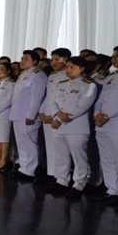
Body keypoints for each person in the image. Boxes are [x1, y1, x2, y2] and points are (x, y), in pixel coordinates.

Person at [50, 57, 98, 200]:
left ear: (82, 69)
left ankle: (79, 184)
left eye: (72, 67)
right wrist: (57, 115)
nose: (68, 70)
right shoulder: (61, 84)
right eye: (67, 67)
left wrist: (59, 118)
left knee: (79, 158)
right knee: (61, 155)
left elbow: (82, 106)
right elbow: (53, 102)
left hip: (76, 127)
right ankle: (62, 181)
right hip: (60, 126)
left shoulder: (88, 85)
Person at [8, 50, 47, 182]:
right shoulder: (24, 75)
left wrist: (31, 114)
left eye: (25, 59)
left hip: (27, 116)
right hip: (18, 114)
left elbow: (37, 97)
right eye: (22, 58)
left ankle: (29, 170)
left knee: (29, 143)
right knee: (21, 143)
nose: (22, 61)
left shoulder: (38, 75)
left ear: (34, 61)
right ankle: (23, 168)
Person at [38, 48, 71, 189]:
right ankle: (52, 174)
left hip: (58, 118)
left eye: (57, 59)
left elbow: (66, 99)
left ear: (66, 59)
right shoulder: (52, 76)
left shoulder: (69, 75)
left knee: (61, 150)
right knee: (50, 148)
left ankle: (62, 179)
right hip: (47, 115)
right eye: (52, 59)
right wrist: (41, 112)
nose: (54, 62)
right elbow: (48, 96)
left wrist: (55, 117)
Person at [93, 49, 118, 207]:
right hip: (102, 123)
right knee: (107, 159)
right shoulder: (112, 77)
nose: (113, 59)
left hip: (115, 123)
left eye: (116, 57)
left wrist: (106, 115)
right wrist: (97, 113)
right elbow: (101, 98)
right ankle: (112, 190)